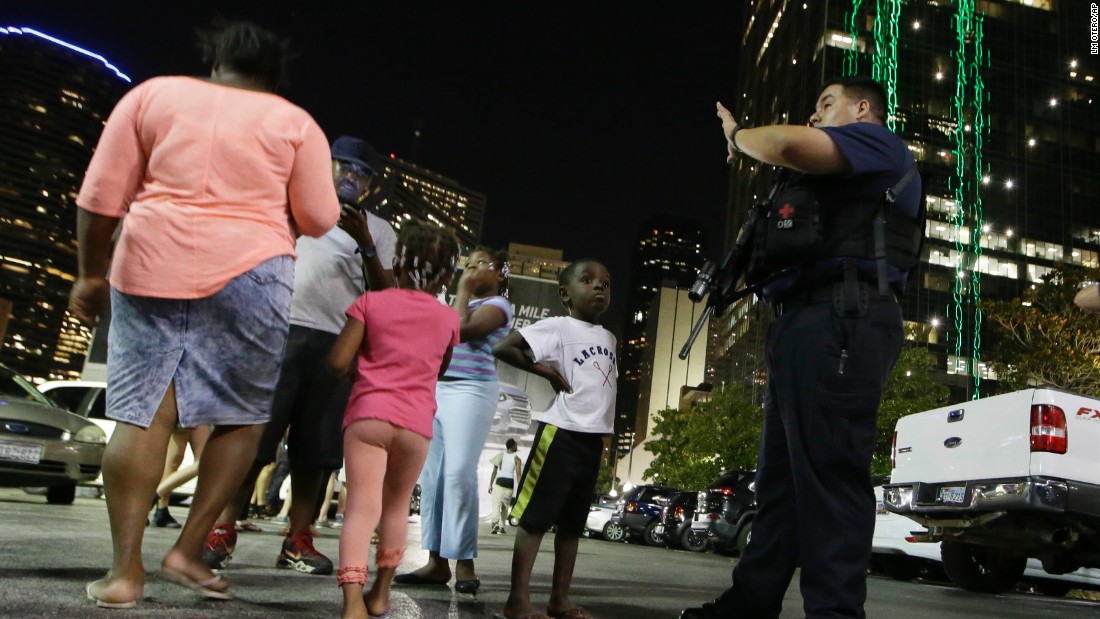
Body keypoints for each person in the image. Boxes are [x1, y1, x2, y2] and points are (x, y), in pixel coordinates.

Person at [69, 21, 339, 608]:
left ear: (215, 61)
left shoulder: (152, 95)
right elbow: (319, 217)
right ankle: (189, 548)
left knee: (142, 417)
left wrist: (90, 274)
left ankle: (124, 575)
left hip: (149, 260)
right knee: (240, 419)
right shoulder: (295, 122)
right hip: (252, 271)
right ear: (275, 75)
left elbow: (99, 197)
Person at [681, 76, 921, 619]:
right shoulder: (844, 172)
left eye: (825, 105)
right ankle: (750, 604)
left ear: (863, 109)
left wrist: (738, 134)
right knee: (782, 485)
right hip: (806, 321)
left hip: (842, 316)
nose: (814, 117)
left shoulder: (878, 142)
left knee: (829, 480)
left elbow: (785, 145)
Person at [201, 135, 397, 575]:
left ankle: (298, 538)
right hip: (276, 332)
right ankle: (222, 528)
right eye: (344, 165)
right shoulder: (290, 203)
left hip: (338, 343)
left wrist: (365, 243)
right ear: (323, 165)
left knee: (318, 450)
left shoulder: (380, 229)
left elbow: (385, 295)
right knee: (252, 438)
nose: (352, 176)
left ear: (370, 185)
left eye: (363, 173)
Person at [329, 223, 461, 619]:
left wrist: (362, 374)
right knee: (396, 507)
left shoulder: (372, 302)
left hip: (369, 417)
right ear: (447, 277)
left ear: (398, 264)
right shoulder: (448, 319)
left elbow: (337, 361)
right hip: (415, 426)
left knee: (361, 509)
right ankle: (381, 593)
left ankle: (353, 603)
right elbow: (439, 368)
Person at [492, 259, 616, 619]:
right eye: (588, 280)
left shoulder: (609, 337)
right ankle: (518, 599)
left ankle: (559, 600)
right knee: (535, 519)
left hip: (592, 441)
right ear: (565, 293)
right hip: (559, 434)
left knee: (572, 525)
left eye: (606, 283)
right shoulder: (558, 327)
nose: (599, 287)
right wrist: (544, 370)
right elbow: (504, 348)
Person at [394, 247, 513, 594]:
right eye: (469, 264)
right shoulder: (454, 305)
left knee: (459, 472)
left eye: (482, 265)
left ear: (500, 274)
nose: (473, 269)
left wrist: (460, 290)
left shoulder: (499, 306)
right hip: (437, 390)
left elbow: (459, 331)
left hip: (472, 391)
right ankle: (435, 563)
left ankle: (464, 563)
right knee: (432, 478)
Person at [150, 425, 211, 528]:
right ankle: (160, 506)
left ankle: (156, 499)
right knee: (175, 461)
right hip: (191, 412)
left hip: (200, 413)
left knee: (204, 461)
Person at [488, 438, 522, 534]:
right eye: (516, 445)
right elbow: (518, 474)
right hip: (509, 483)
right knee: (505, 506)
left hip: (499, 481)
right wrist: (520, 487)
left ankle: (495, 523)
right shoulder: (517, 459)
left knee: (496, 504)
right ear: (512, 446)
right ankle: (502, 526)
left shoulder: (500, 456)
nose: (517, 446)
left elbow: (494, 472)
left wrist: (490, 484)